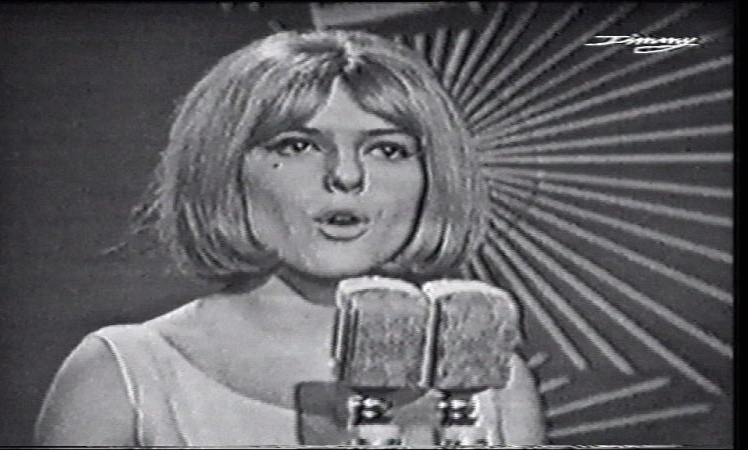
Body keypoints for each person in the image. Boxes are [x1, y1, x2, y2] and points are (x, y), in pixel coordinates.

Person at [34, 29, 546, 446]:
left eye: (387, 150)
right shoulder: (119, 374)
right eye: (298, 145)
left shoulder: (491, 385)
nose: (346, 176)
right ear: (224, 168)